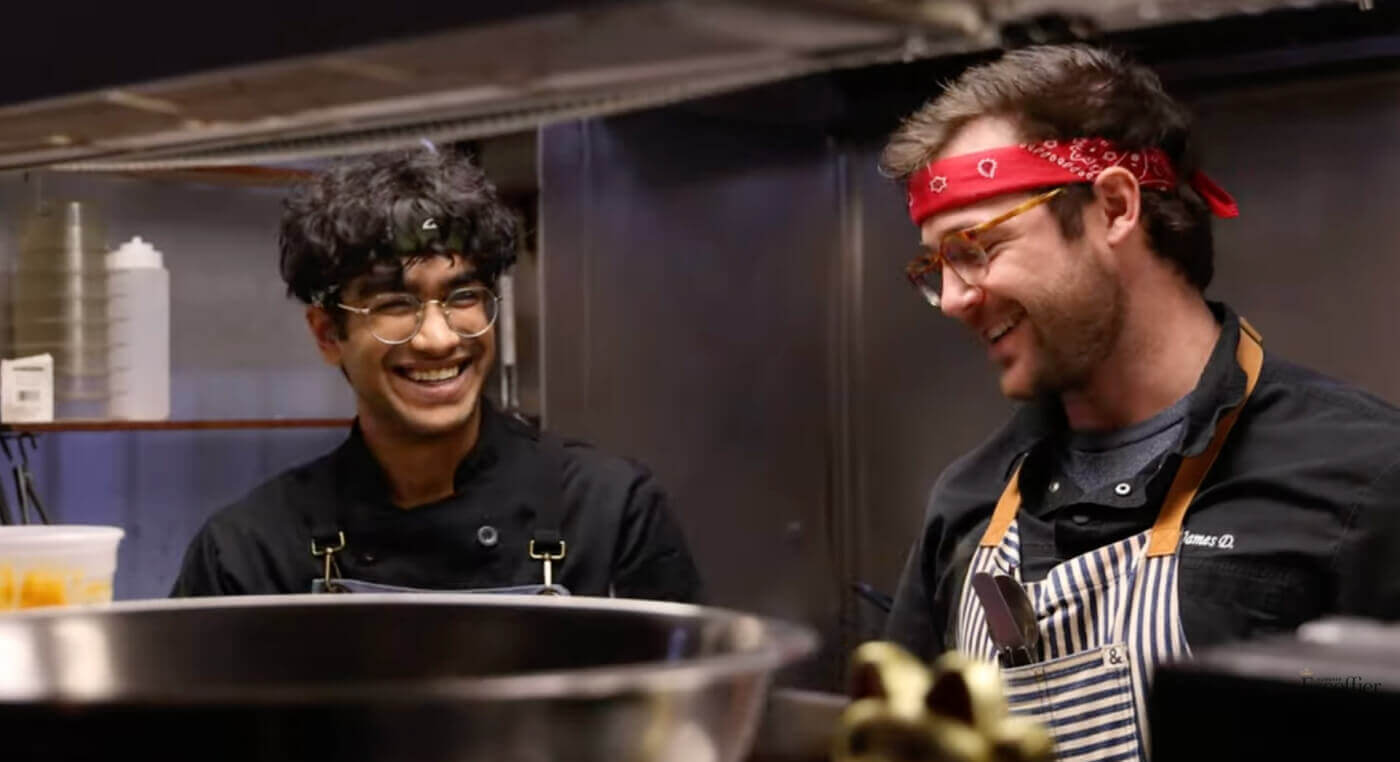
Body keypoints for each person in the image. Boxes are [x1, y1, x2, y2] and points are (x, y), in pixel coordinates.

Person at [879, 43, 1400, 759]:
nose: (955, 299)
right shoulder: (968, 503)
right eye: (935, 267)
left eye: (976, 247)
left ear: (1115, 206)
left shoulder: (1365, 478)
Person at [171, 148, 702, 602]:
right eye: (395, 304)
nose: (438, 338)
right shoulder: (250, 551)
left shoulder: (610, 513)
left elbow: (683, 718)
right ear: (328, 335)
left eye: (463, 297)